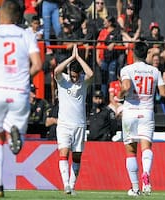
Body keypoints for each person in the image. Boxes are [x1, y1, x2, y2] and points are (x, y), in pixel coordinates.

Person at [0, 0, 42, 197]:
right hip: (19, 90)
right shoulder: (26, 35)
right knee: (16, 144)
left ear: (0, 14)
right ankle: (16, 134)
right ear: (17, 16)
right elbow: (37, 65)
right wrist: (22, 77)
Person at [117, 42, 165, 196]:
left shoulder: (127, 69)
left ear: (133, 54)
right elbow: (164, 93)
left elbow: (125, 87)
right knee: (146, 147)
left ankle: (135, 188)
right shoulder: (154, 71)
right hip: (147, 112)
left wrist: (119, 96)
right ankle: (146, 174)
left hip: (130, 112)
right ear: (147, 55)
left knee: (131, 151)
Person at [54, 44, 93, 195]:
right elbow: (56, 70)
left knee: (77, 156)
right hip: (64, 124)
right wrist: (71, 57)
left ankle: (72, 185)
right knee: (63, 153)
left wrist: (78, 58)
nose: (74, 78)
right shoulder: (62, 79)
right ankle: (66, 185)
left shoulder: (84, 80)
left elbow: (91, 74)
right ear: (69, 72)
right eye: (72, 75)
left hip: (79, 125)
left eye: (77, 75)